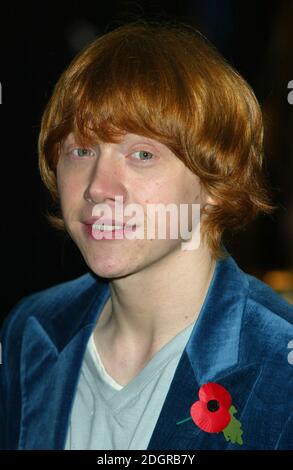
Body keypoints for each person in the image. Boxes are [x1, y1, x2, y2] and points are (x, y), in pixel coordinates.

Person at [0, 20, 292, 451]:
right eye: (81, 150)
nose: (98, 187)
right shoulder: (33, 329)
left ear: (214, 182)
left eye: (142, 154)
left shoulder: (277, 365)